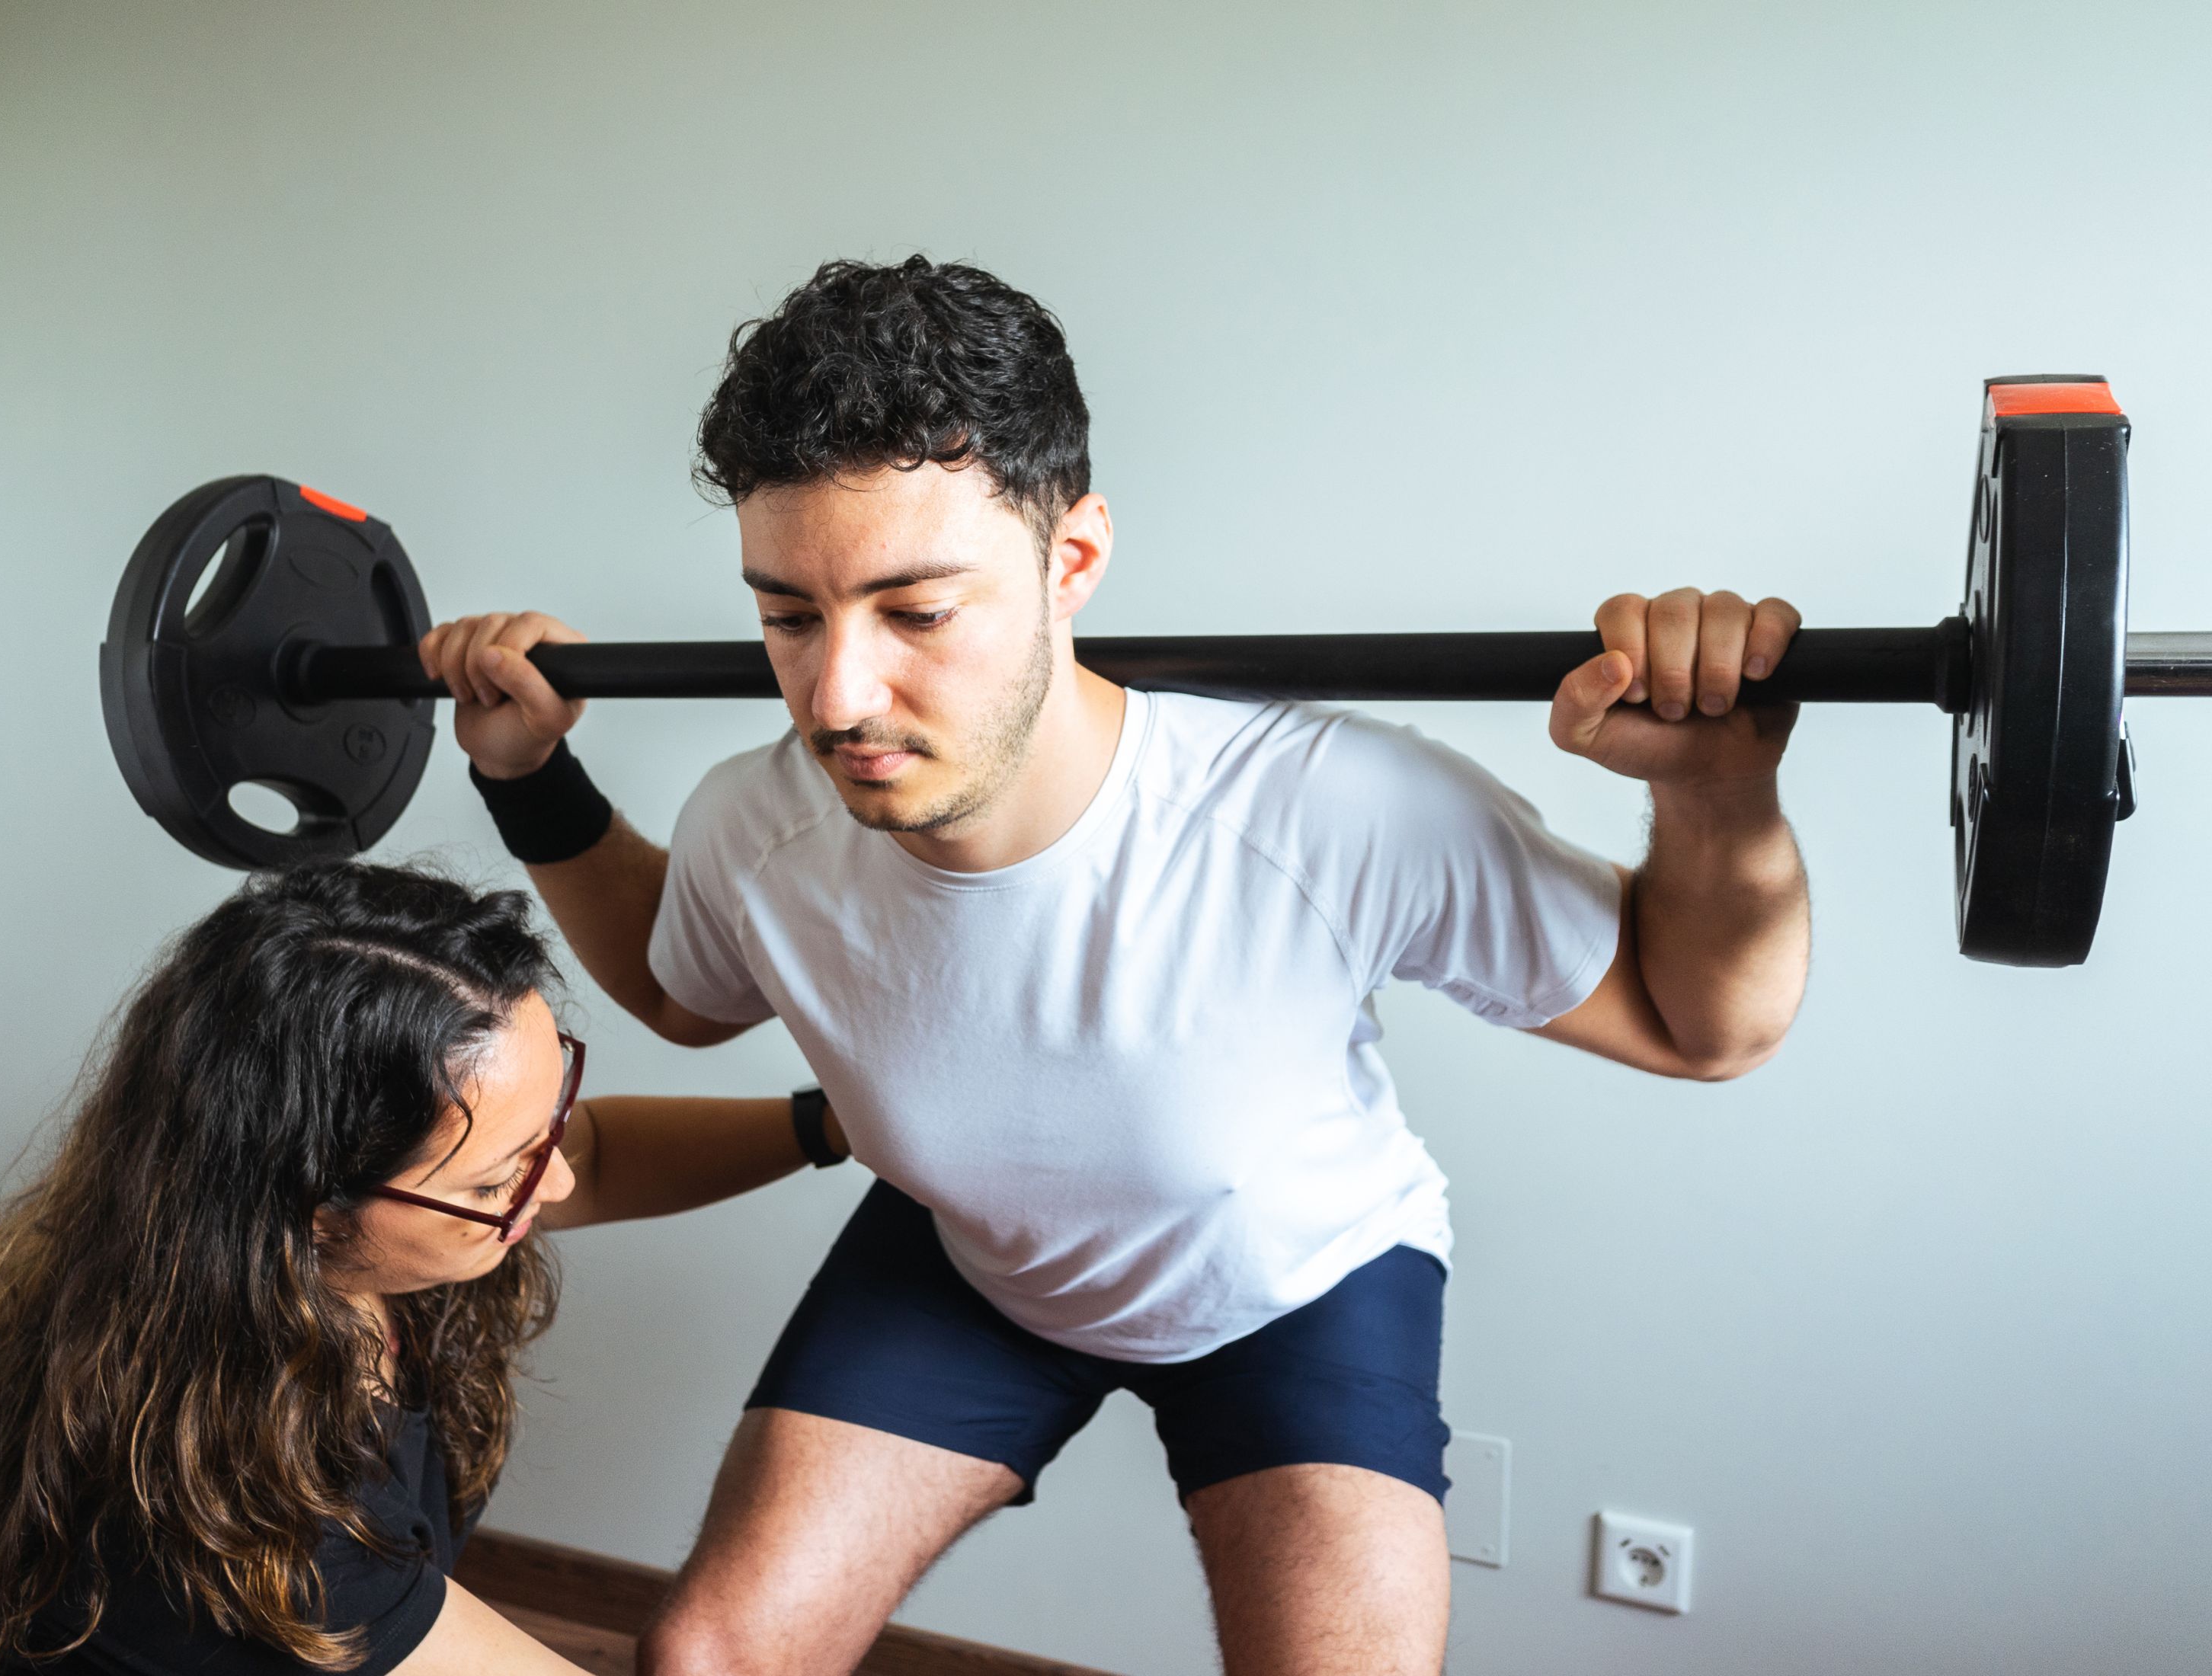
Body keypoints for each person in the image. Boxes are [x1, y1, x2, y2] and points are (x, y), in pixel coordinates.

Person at [419, 255, 1810, 1676]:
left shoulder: (1324, 810)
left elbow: (1700, 1026)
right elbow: (679, 994)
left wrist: (1717, 797)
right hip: (970, 1258)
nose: (838, 698)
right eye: (789, 616)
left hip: (1294, 1280)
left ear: (1070, 560)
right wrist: (533, 781)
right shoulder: (757, 822)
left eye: (916, 612)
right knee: (710, 1661)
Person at [0, 862, 848, 1676]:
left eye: (549, 1125)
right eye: (504, 1176)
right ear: (312, 1211)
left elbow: (602, 1154)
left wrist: (834, 1124)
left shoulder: (315, 1251)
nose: (560, 1178)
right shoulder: (234, 1505)